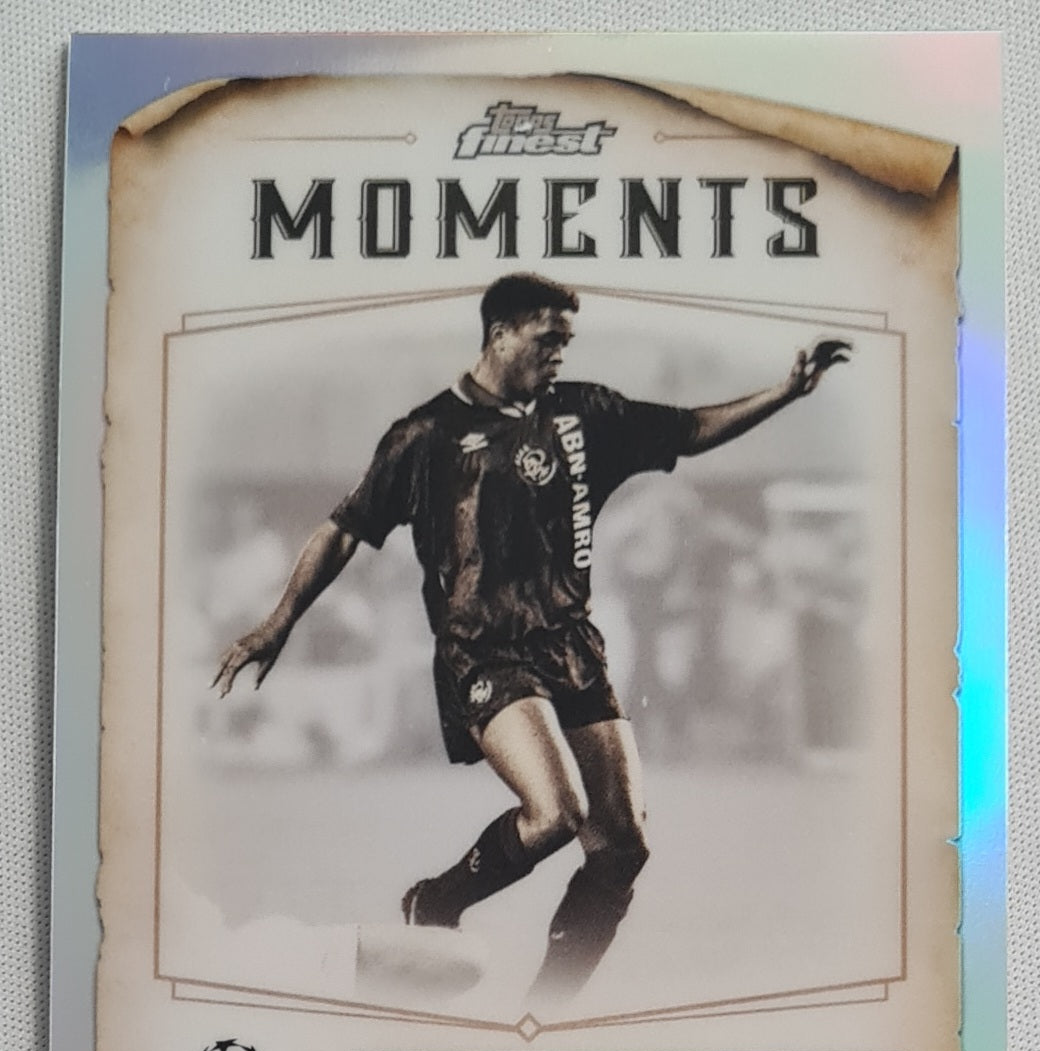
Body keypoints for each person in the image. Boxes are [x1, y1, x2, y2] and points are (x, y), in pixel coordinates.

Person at [213, 273, 850, 1009]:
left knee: (624, 847)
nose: (559, 354)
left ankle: (545, 1015)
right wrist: (280, 620)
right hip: (483, 650)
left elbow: (688, 429)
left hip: (572, 645)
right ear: (500, 334)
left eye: (566, 342)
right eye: (548, 339)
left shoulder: (585, 414)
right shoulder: (425, 436)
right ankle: (436, 900)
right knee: (556, 815)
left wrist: (786, 391)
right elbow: (344, 529)